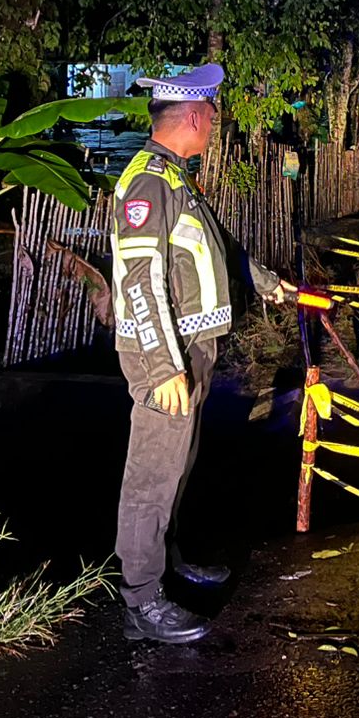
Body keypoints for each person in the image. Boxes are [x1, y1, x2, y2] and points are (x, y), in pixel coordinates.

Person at [111, 62, 296, 643]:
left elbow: (218, 245)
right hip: (164, 357)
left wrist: (266, 282)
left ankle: (166, 561)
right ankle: (141, 599)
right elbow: (138, 278)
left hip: (192, 351)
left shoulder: (175, 179)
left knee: (177, 468)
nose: (215, 126)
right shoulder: (148, 183)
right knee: (151, 476)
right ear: (193, 116)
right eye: (212, 116)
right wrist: (164, 365)